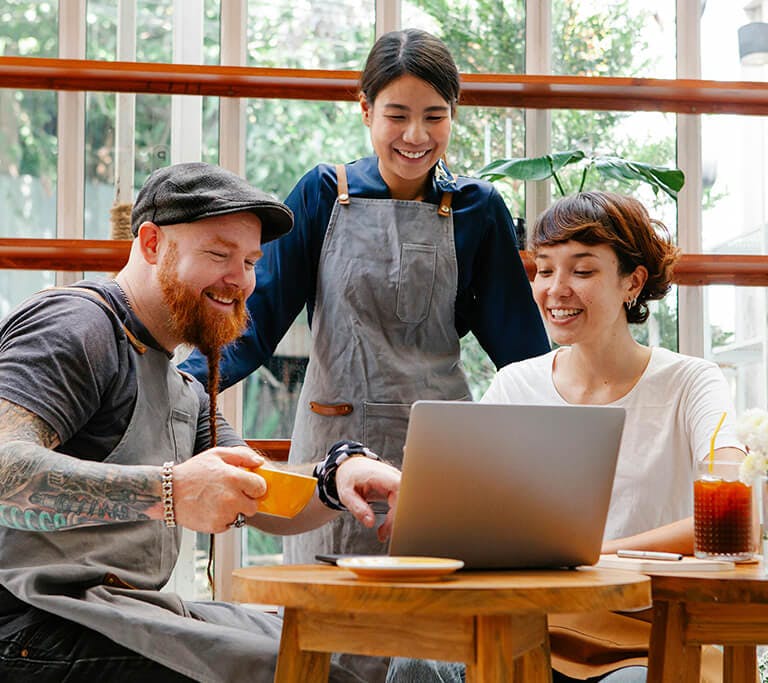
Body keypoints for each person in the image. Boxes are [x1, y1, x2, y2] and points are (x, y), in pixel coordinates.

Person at [0, 161, 401, 683]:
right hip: (27, 628)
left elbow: (264, 494)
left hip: (117, 615)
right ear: (150, 244)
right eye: (218, 254)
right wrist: (172, 490)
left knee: (333, 656)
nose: (241, 280)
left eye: (251, 260)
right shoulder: (77, 327)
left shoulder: (181, 386)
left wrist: (337, 476)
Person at [180, 28, 550, 567]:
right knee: (332, 630)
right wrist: (181, 383)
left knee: (437, 632)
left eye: (435, 115)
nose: (416, 135)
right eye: (397, 115)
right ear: (366, 111)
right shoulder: (322, 193)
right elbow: (254, 325)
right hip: (334, 452)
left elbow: (521, 354)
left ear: (454, 113)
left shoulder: (479, 208)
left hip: (442, 452)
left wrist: (573, 436)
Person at [386, 190, 743, 683]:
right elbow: (468, 513)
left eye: (582, 270)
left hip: (655, 632)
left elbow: (731, 510)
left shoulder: (691, 382)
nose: (556, 288)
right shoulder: (517, 383)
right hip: (533, 626)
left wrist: (596, 553)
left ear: (632, 282)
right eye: (546, 269)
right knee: (415, 664)